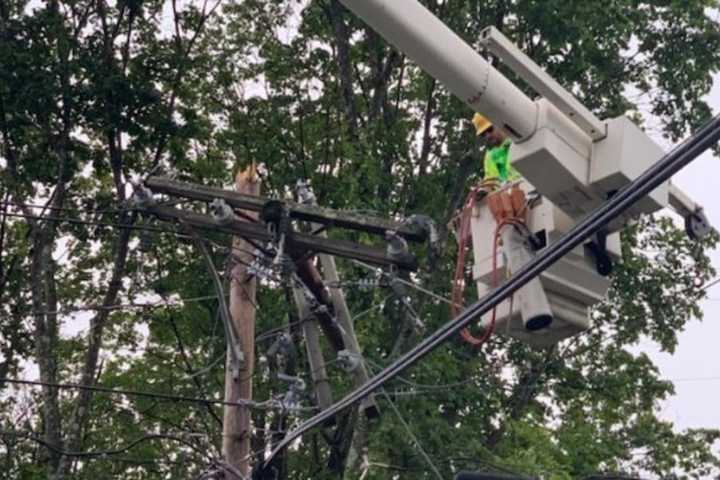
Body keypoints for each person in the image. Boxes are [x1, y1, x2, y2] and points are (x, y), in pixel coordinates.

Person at [472, 113, 521, 183]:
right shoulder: (490, 157)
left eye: (489, 129)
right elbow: (490, 182)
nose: (487, 136)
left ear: (499, 123)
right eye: (483, 134)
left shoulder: (519, 141)